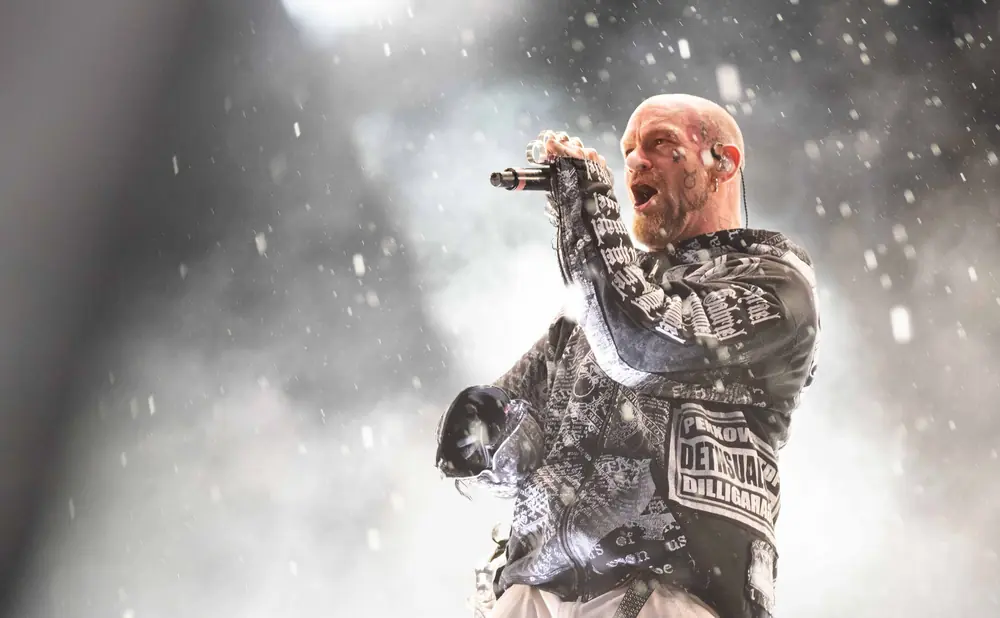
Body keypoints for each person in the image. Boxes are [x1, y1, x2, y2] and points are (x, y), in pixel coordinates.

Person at [435, 94, 820, 618]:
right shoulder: (602, 307)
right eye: (629, 149)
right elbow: (518, 415)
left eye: (661, 143)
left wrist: (587, 203)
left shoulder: (775, 284)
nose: (635, 160)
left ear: (723, 162)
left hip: (666, 596)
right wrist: (488, 433)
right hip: (533, 595)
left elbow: (639, 346)